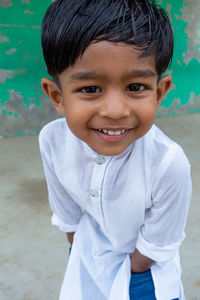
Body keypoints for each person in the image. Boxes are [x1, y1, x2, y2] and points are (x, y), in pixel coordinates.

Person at [39, 0, 192, 299]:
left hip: (144, 274)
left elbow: (156, 244)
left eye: (135, 87)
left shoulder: (168, 164)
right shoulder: (52, 141)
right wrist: (82, 257)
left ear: (160, 92)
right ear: (57, 96)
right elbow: (68, 216)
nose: (115, 110)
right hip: (85, 262)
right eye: (90, 89)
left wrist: (129, 275)